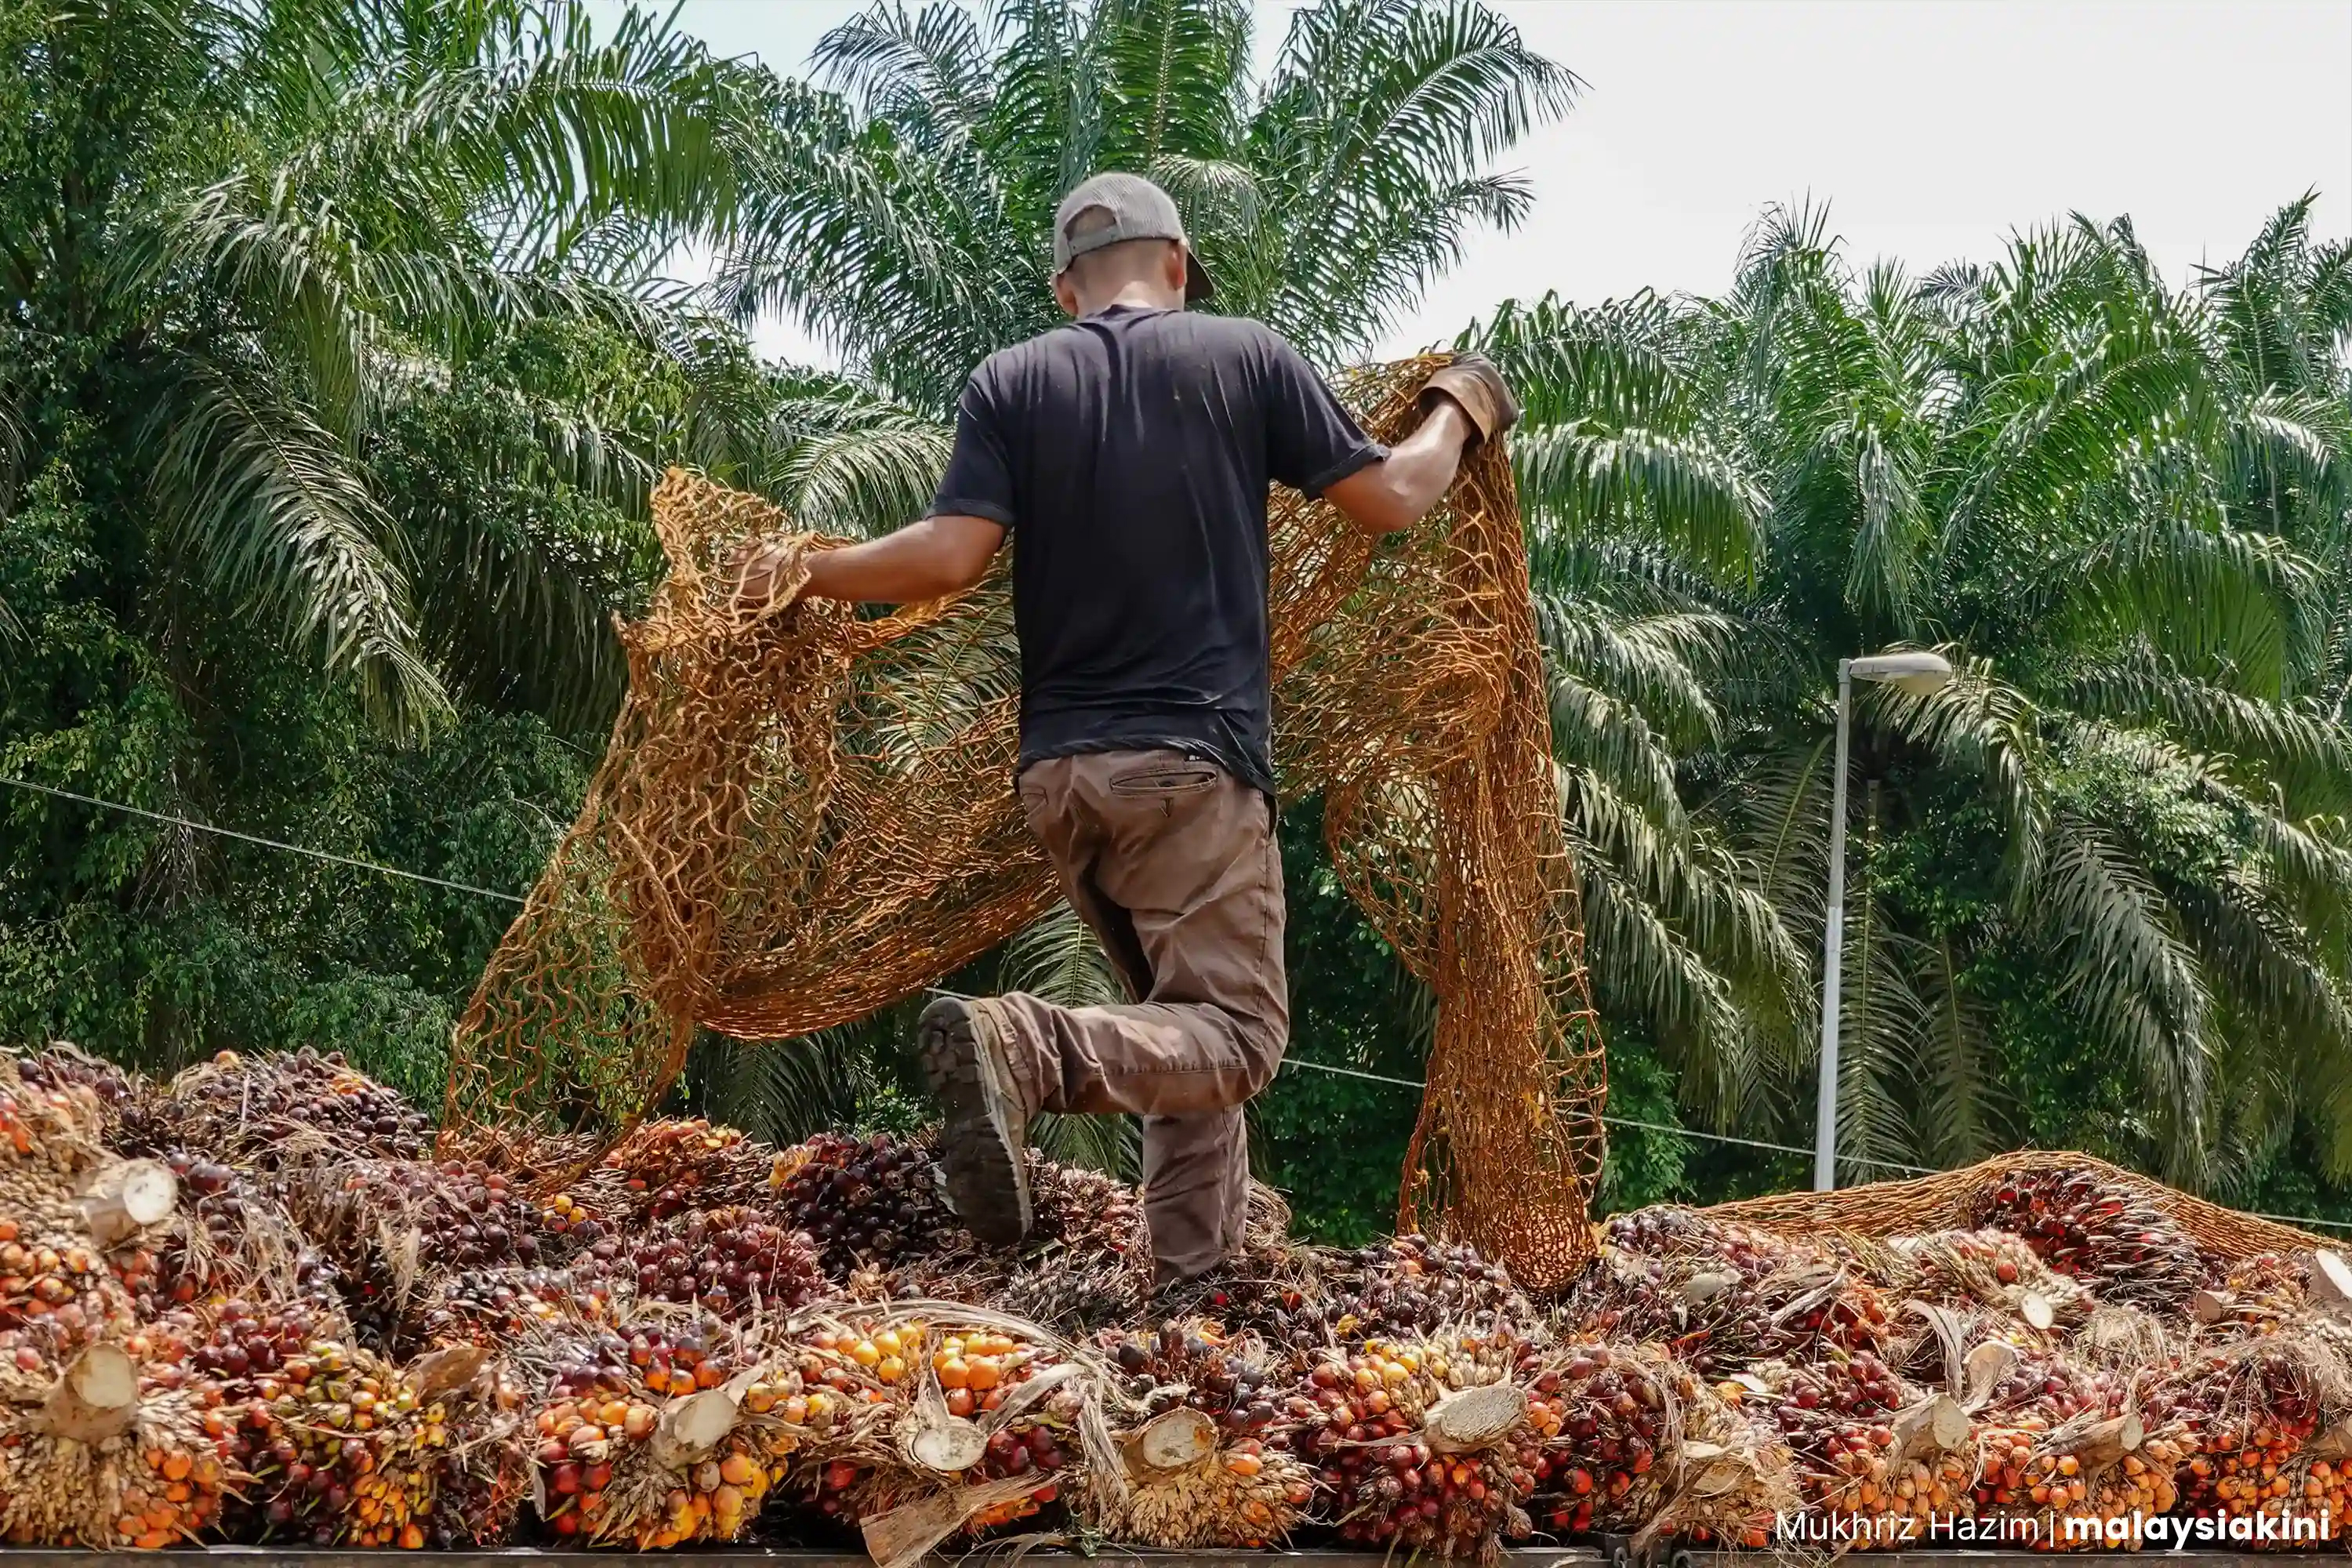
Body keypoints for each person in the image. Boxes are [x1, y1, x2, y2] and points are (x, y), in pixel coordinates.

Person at [731, 172, 1517, 1286]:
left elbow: (949, 559)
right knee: (1237, 1040)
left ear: (1067, 289)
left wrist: (806, 570)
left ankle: (1188, 1305)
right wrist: (1459, 409)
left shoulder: (1012, 381)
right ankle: (1025, 1044)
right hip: (1190, 768)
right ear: (1181, 264)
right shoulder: (1243, 354)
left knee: (1181, 1036)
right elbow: (1391, 498)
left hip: (1062, 781)